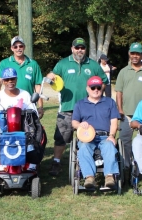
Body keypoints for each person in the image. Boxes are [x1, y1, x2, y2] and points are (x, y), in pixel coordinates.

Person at [46, 38, 108, 176]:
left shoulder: (93, 65)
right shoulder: (63, 63)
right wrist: (50, 79)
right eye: (77, 47)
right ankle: (56, 162)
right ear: (72, 48)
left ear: (85, 49)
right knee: (61, 137)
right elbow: (52, 75)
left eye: (82, 48)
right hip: (67, 108)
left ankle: (86, 163)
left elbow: (104, 81)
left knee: (88, 137)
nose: (80, 50)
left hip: (88, 109)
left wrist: (97, 93)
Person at [72, 76, 121, 188]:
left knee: (109, 145)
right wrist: (80, 124)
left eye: (98, 87)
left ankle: (109, 176)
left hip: (104, 136)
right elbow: (74, 122)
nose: (96, 90)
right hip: (87, 136)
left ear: (102, 88)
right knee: (84, 147)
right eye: (92, 87)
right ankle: (89, 178)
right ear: (87, 89)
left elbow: (114, 122)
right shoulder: (80, 104)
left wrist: (112, 135)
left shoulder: (109, 102)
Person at [115, 42, 142, 170]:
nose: (135, 56)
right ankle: (125, 166)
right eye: (133, 53)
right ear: (129, 53)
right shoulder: (123, 72)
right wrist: (120, 110)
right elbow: (119, 92)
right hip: (127, 114)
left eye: (138, 54)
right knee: (124, 141)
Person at [0, 68, 39, 170]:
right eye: (7, 80)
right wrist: (5, 123)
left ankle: (26, 162)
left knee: (31, 135)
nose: (10, 82)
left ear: (16, 79)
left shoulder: (25, 94)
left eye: (12, 79)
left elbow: (33, 115)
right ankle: (5, 162)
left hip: (22, 127)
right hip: (4, 128)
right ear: (3, 81)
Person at [0, 36, 44, 117]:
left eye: (21, 46)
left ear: (24, 47)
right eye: (15, 46)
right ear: (12, 48)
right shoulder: (4, 63)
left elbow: (38, 86)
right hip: (8, 103)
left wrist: (40, 106)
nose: (18, 48)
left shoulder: (33, 64)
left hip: (28, 104)